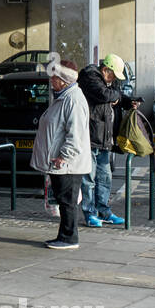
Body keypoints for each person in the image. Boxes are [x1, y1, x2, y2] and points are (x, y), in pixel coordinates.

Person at [31, 56, 91, 250]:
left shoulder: (72, 100)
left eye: (54, 77)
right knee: (65, 201)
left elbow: (76, 133)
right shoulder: (65, 97)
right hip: (61, 162)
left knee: (67, 202)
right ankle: (64, 235)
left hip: (66, 163)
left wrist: (65, 156)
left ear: (64, 80)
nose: (51, 81)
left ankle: (69, 238)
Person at [77, 53, 133, 227]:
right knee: (89, 179)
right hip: (91, 137)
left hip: (105, 139)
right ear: (105, 69)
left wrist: (129, 101)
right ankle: (90, 213)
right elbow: (104, 95)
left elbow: (115, 96)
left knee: (105, 177)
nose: (114, 79)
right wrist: (115, 95)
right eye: (113, 75)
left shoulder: (110, 83)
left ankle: (104, 211)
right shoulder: (90, 76)